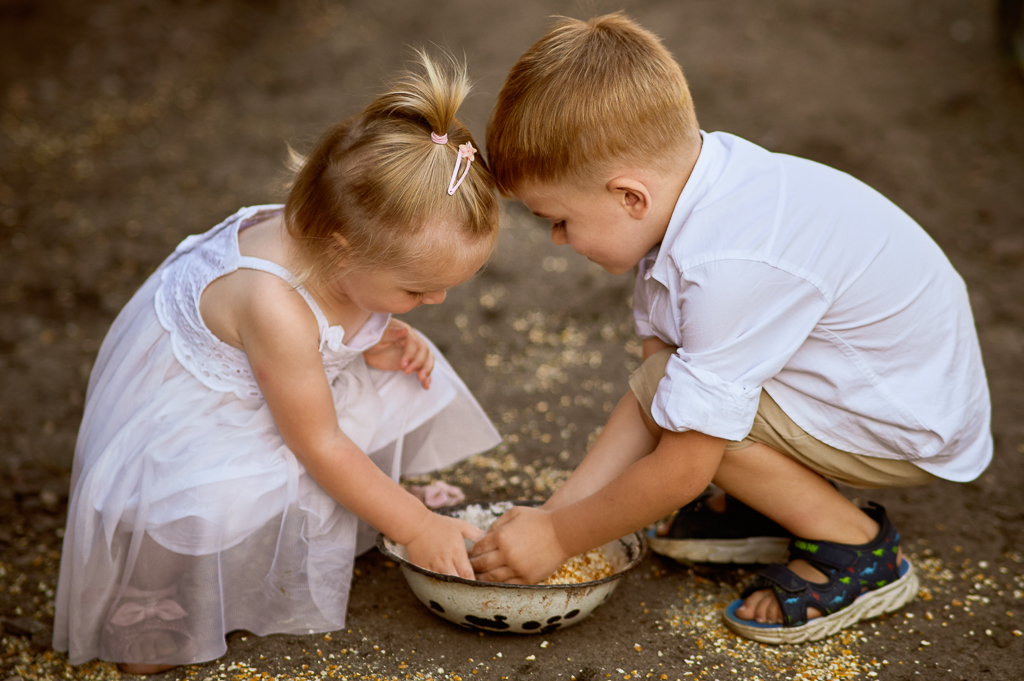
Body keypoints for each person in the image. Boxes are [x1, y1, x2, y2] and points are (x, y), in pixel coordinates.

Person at [469, 13, 992, 645]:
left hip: (908, 415)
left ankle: (857, 550)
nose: (556, 240)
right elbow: (650, 392)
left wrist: (559, 538)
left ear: (630, 196)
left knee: (701, 421)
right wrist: (556, 513)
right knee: (680, 390)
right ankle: (772, 499)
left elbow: (684, 466)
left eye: (558, 220)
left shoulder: (726, 266)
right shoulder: (690, 192)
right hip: (872, 376)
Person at [53, 52, 502, 673]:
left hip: (283, 369)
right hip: (201, 410)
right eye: (416, 290)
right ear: (341, 254)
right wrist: (416, 525)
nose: (436, 302)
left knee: (400, 377)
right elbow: (317, 442)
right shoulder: (274, 303)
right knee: (213, 502)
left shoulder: (334, 239)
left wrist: (372, 334)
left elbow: (336, 318)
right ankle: (148, 596)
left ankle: (367, 503)